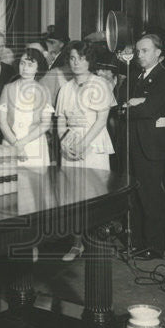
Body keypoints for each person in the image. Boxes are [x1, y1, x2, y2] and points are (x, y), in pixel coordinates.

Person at [56, 40, 116, 261]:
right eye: (72, 58)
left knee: (96, 194)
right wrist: (64, 141)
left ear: (89, 60)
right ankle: (76, 244)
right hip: (71, 144)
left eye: (81, 58)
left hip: (94, 142)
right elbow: (61, 120)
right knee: (73, 197)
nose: (76, 63)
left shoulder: (99, 84)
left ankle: (99, 243)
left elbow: (102, 120)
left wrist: (83, 144)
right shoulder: (65, 88)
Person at [122, 33, 165, 260]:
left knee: (151, 196)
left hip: (150, 146)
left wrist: (134, 105)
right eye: (138, 51)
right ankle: (137, 242)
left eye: (144, 51)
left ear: (158, 53)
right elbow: (120, 102)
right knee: (133, 195)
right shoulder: (134, 76)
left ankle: (154, 246)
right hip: (132, 143)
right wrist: (132, 104)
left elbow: (152, 109)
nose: (139, 55)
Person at [0, 47, 54, 168]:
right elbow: (1, 121)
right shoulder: (8, 88)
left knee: (34, 185)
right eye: (22, 63)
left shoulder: (44, 91)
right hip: (10, 143)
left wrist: (22, 144)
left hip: (34, 145)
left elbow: (45, 124)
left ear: (38, 68)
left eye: (30, 64)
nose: (25, 68)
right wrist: (15, 144)